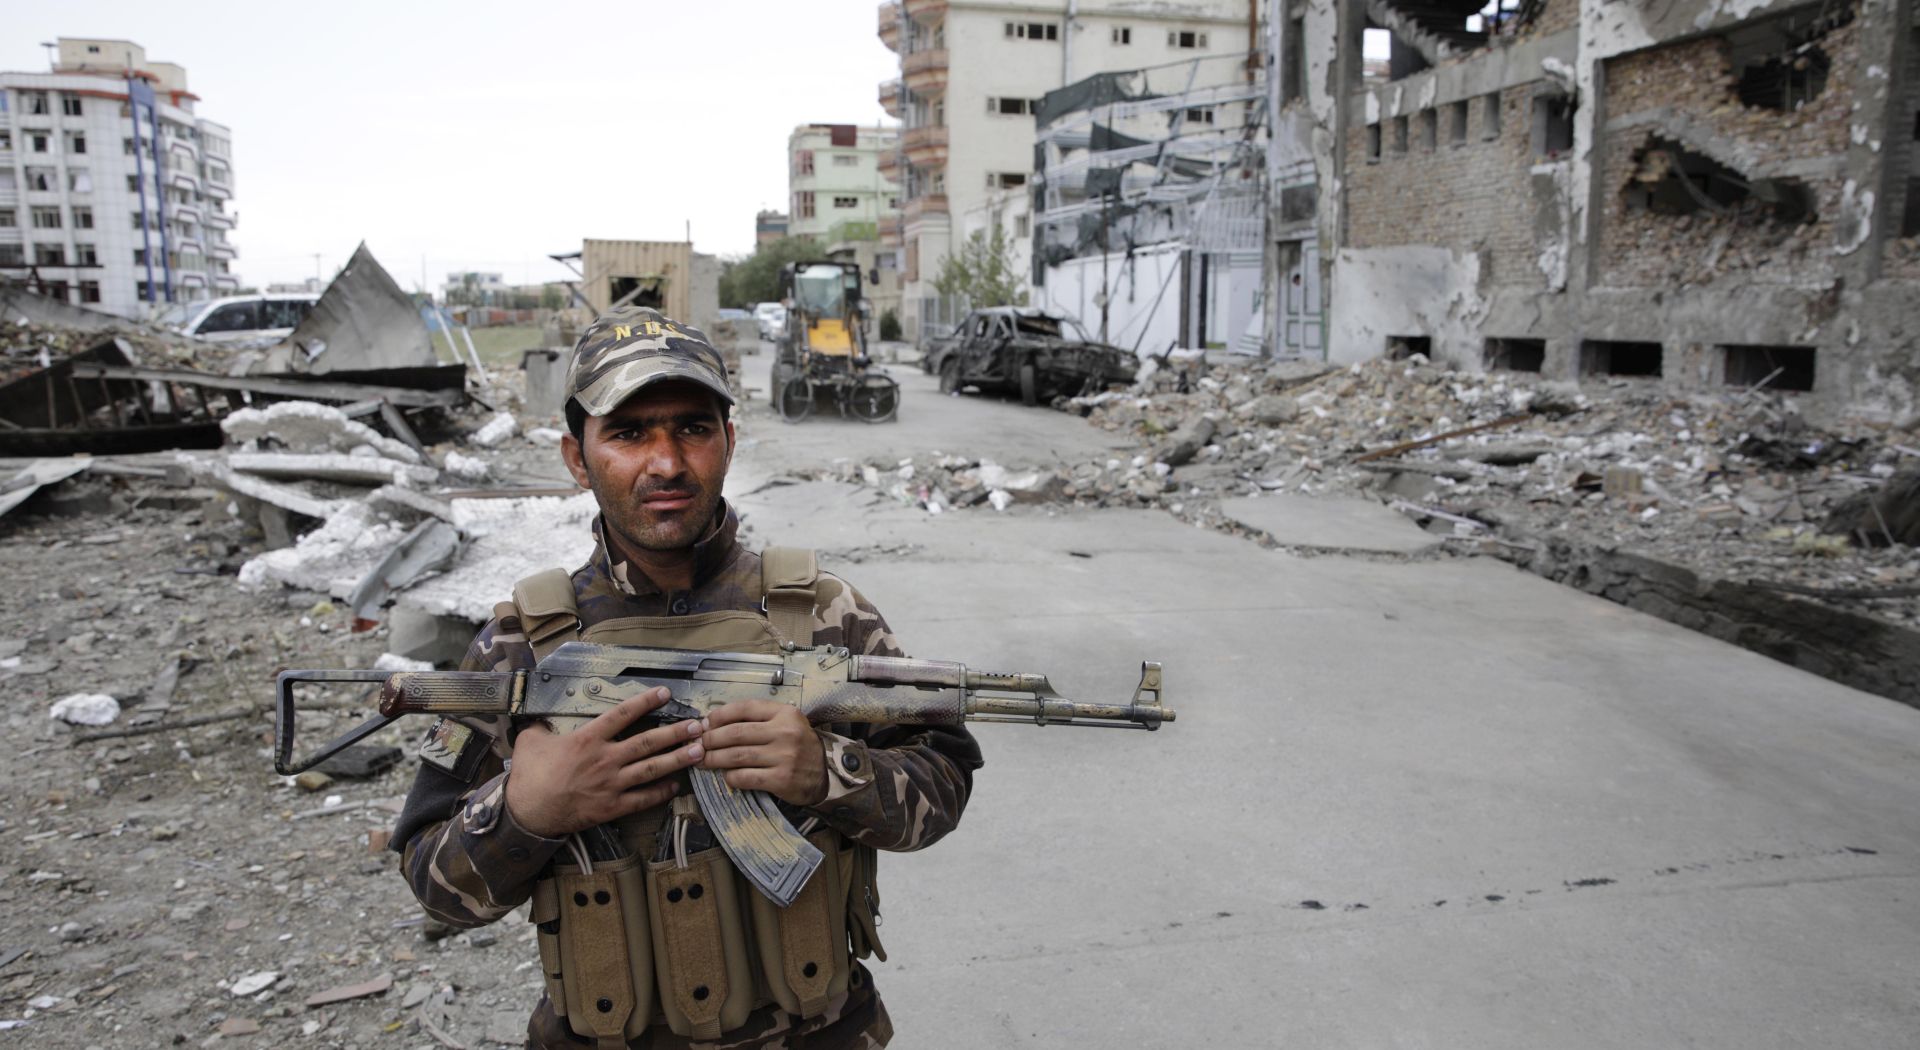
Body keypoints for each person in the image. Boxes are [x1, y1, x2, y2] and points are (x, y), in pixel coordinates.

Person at [391, 307, 983, 1049]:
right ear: (577, 457)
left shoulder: (823, 613)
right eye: (629, 433)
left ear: (729, 442)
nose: (666, 463)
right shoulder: (520, 644)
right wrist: (526, 811)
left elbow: (945, 781)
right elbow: (434, 888)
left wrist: (828, 772)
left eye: (692, 429)